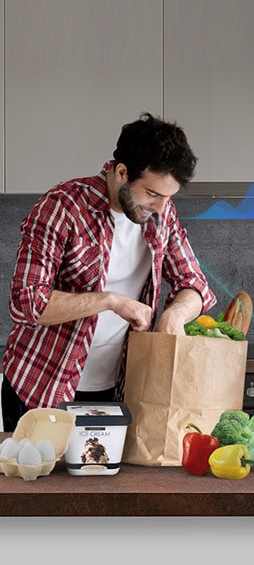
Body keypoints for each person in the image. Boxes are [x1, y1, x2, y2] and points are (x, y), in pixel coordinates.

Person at [1, 112, 216, 432]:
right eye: (153, 193)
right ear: (121, 172)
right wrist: (111, 301)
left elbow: (194, 284)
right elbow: (26, 301)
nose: (160, 207)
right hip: (41, 387)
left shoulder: (162, 212)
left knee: (104, 484)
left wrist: (176, 314)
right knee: (45, 481)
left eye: (168, 197)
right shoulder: (62, 207)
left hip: (114, 391)